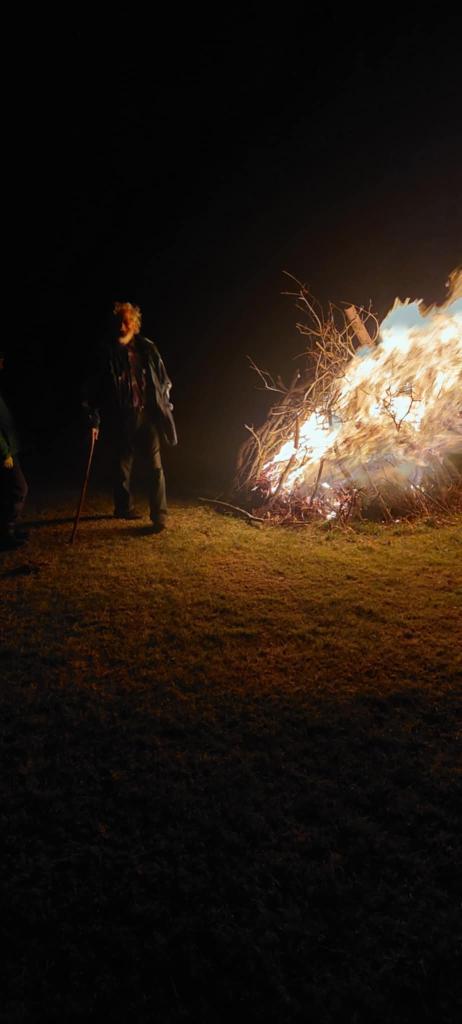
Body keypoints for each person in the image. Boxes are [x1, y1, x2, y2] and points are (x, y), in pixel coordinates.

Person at [84, 302, 177, 532]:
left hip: (146, 415)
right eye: (119, 322)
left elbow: (163, 379)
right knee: (122, 466)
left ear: (135, 325)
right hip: (120, 415)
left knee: (155, 466)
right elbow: (93, 389)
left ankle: (159, 516)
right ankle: (123, 507)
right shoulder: (106, 353)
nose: (122, 326)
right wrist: (94, 419)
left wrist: (165, 405)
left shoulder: (147, 349)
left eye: (126, 322)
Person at [0, 351, 28, 549]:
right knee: (19, 488)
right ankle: (6, 531)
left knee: (9, 489)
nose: (2, 363)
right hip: (5, 451)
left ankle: (9, 529)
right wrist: (4, 452)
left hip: (10, 447)